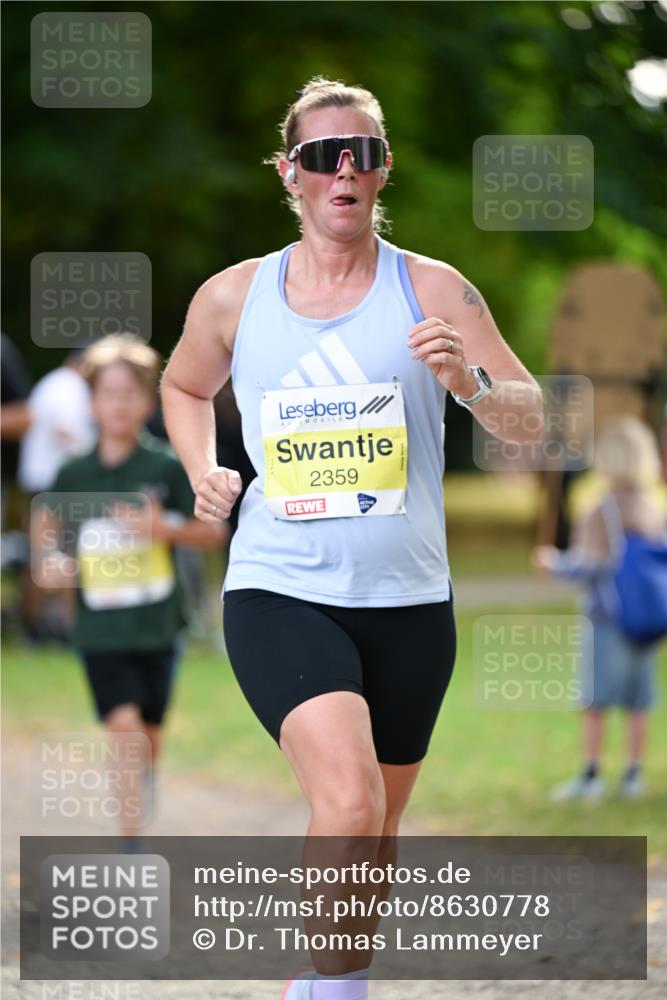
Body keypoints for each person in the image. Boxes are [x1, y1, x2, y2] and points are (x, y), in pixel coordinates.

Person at [161, 77, 542, 999]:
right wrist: (203, 467)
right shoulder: (233, 298)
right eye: (323, 155)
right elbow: (181, 387)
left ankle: (329, 979)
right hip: (278, 586)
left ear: (380, 173)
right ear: (290, 173)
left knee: (375, 825)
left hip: (409, 601)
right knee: (348, 800)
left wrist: (473, 386)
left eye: (361, 153)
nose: (343, 169)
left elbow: (532, 418)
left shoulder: (435, 287)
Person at [31, 333, 223, 844]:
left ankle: (141, 790)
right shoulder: (72, 475)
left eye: (129, 393)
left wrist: (164, 529)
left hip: (159, 625)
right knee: (124, 729)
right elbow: (46, 533)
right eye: (108, 393)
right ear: (92, 401)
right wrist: (48, 563)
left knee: (149, 737)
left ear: (147, 400)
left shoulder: (164, 466)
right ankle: (131, 838)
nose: (118, 404)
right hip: (100, 629)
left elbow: (213, 533)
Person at [533, 416, 666, 801]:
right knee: (640, 698)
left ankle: (591, 774)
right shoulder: (656, 505)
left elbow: (588, 566)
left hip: (608, 618)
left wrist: (550, 563)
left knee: (596, 698)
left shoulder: (601, 509)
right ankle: (632, 774)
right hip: (650, 617)